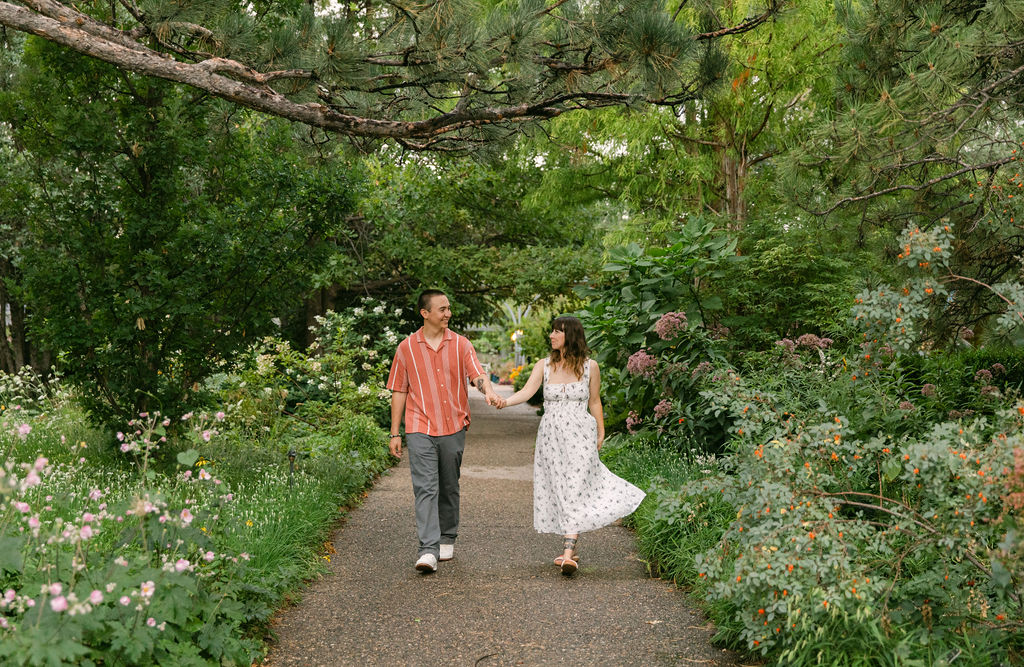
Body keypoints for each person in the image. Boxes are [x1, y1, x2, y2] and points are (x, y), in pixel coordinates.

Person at [499, 315, 645, 574]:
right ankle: (571, 546)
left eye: (558, 332)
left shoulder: (591, 367)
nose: (552, 336)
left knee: (575, 487)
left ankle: (568, 551)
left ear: (572, 335)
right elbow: (526, 392)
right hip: (551, 437)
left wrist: (601, 431)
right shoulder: (544, 366)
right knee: (560, 487)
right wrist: (503, 402)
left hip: (580, 433)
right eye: (552, 331)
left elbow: (595, 401)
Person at [387, 289, 502, 573]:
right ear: (425, 313)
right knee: (425, 487)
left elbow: (477, 374)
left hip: (453, 425)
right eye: (442, 309)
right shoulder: (406, 348)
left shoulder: (461, 344)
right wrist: (394, 432)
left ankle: (447, 535)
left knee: (449, 485)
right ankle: (428, 549)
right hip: (419, 427)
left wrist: (487, 390)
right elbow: (399, 391)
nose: (448, 313)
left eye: (448, 308)